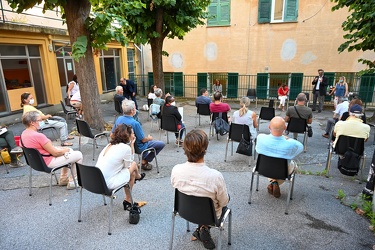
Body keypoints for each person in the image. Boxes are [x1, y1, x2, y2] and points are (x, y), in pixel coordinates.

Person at [171, 129, 229, 250]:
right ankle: (204, 227)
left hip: (184, 211)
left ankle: (201, 229)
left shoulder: (176, 169)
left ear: (185, 148)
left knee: (198, 196)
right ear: (205, 149)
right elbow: (224, 202)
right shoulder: (215, 176)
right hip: (210, 216)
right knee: (219, 199)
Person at [20, 111, 83, 189]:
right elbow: (55, 153)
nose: (42, 122)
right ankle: (73, 181)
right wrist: (66, 150)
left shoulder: (23, 134)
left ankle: (64, 179)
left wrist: (65, 150)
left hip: (36, 163)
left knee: (68, 150)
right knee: (78, 154)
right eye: (39, 120)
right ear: (32, 123)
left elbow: (40, 149)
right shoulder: (38, 136)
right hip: (48, 162)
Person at [96, 124, 146, 211]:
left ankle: (128, 200)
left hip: (96, 182)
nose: (134, 135)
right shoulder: (125, 148)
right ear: (128, 136)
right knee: (134, 165)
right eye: (133, 134)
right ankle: (139, 177)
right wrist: (132, 145)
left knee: (132, 172)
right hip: (108, 183)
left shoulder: (109, 145)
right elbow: (129, 165)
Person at [256, 116, 303, 198]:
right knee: (291, 165)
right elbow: (300, 147)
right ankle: (275, 183)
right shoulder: (290, 143)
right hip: (282, 171)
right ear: (285, 128)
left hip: (263, 168)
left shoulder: (261, 137)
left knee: (272, 163)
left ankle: (273, 182)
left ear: (269, 127)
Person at [112, 99, 165, 171]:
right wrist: (149, 138)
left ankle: (144, 161)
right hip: (137, 147)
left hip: (123, 144)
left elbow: (112, 134)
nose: (135, 109)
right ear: (132, 110)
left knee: (146, 143)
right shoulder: (135, 123)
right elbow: (143, 140)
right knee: (160, 144)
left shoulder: (119, 119)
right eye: (134, 108)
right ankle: (144, 161)